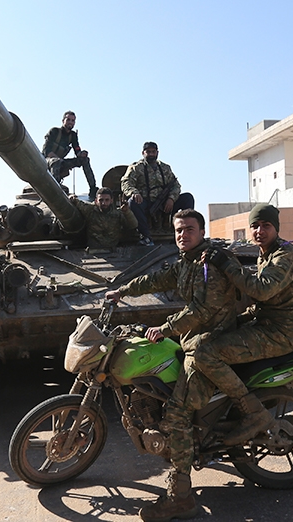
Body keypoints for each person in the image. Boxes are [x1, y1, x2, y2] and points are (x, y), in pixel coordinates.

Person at [105, 209, 239, 522]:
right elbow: (156, 279)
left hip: (211, 343)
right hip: (195, 338)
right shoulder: (187, 262)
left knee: (177, 413)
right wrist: (122, 291)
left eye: (189, 229)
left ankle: (180, 499)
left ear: (202, 232)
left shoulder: (209, 263)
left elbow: (202, 310)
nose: (183, 234)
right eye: (179, 230)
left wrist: (164, 329)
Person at [199, 203, 293, 445]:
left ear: (276, 228)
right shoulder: (266, 253)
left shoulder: (285, 255)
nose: (260, 231)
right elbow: (263, 305)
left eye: (266, 225)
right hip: (267, 325)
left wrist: (227, 264)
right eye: (255, 226)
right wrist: (235, 321)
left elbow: (262, 290)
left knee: (206, 353)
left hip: (280, 333)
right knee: (210, 338)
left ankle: (253, 414)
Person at [121, 141, 194, 246]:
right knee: (133, 203)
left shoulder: (165, 168)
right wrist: (134, 192)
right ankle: (146, 236)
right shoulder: (136, 167)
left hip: (165, 202)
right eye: (148, 152)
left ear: (157, 153)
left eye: (153, 152)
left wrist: (171, 198)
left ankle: (184, 231)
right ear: (143, 153)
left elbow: (176, 185)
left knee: (187, 198)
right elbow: (126, 182)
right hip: (145, 201)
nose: (151, 154)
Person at [43, 110, 98, 199]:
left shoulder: (73, 135)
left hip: (60, 161)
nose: (70, 122)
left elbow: (77, 149)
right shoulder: (54, 131)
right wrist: (58, 160)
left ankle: (93, 188)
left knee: (85, 160)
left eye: (73, 120)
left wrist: (81, 154)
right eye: (68, 120)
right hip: (47, 161)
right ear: (63, 121)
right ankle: (55, 189)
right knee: (56, 161)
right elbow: (46, 151)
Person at [69, 187, 139, 251]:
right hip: (93, 251)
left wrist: (127, 212)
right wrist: (71, 197)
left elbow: (133, 225)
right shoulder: (90, 210)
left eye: (107, 200)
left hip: (113, 250)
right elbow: (75, 202)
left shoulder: (117, 213)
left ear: (111, 200)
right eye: (101, 200)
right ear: (96, 201)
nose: (103, 203)